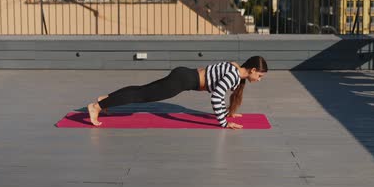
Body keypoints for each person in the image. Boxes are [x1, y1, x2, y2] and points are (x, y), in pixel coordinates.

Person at [86, 56, 268, 129]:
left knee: (143, 90)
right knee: (141, 95)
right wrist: (223, 122)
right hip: (183, 81)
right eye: (260, 76)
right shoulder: (234, 75)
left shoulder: (236, 67)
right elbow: (217, 95)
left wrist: (229, 112)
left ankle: (107, 99)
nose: (259, 79)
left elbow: (221, 92)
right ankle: (97, 106)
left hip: (184, 75)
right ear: (252, 70)